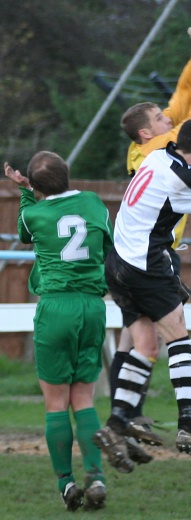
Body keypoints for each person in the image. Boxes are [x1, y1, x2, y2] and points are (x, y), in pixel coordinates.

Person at [109, 14, 191, 449]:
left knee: (141, 341)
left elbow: (181, 100)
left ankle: (120, 421)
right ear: (148, 130)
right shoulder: (158, 152)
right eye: (159, 117)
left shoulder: (156, 149)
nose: (168, 117)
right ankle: (185, 426)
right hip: (147, 259)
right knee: (169, 338)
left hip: (127, 258)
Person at [93, 118, 191, 473]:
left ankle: (114, 425)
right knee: (179, 340)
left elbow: (189, 174)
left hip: (118, 264)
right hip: (146, 266)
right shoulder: (180, 177)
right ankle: (188, 427)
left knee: (145, 347)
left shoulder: (159, 156)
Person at [4, 152, 113, 511]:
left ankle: (66, 484)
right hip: (93, 306)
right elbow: (107, 244)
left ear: (35, 186)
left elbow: (23, 229)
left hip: (56, 306)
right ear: (68, 175)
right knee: (83, 399)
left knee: (55, 402)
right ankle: (96, 477)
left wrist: (24, 192)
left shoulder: (34, 212)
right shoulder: (94, 202)